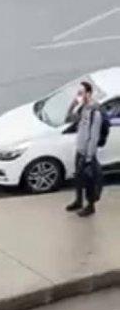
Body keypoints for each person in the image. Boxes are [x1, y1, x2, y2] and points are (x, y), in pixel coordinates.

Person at [67, 80, 103, 218]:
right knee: (78, 177)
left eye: (81, 93)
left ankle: (90, 206)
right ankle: (78, 200)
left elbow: (93, 136)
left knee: (89, 180)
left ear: (88, 93)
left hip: (88, 153)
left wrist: (89, 157)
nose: (79, 95)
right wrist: (73, 105)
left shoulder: (95, 113)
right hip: (80, 149)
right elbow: (69, 119)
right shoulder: (83, 108)